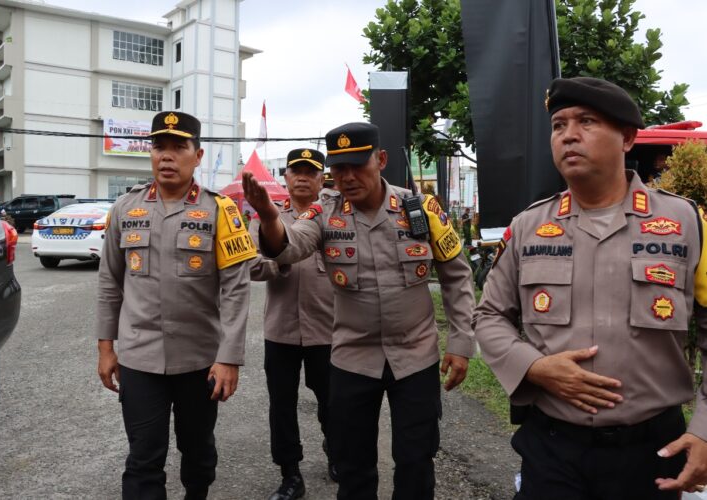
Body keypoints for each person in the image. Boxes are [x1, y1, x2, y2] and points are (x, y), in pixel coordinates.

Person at [474, 77, 707, 499]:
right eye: (559, 125)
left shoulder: (687, 223)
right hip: (552, 448)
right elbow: (489, 316)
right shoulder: (529, 226)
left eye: (587, 121)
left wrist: (706, 432)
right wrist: (533, 367)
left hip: (651, 451)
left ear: (628, 137)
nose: (569, 135)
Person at [243, 122, 475, 499]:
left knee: (416, 461)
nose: (348, 177)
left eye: (357, 166)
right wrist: (270, 217)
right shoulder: (324, 213)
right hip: (352, 359)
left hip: (415, 356)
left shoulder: (419, 209)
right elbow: (290, 247)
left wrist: (461, 342)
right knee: (353, 467)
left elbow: (457, 275)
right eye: (338, 169)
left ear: (380, 160)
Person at [96, 110, 256, 500]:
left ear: (197, 155)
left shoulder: (222, 210)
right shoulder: (124, 209)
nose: (166, 156)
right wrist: (105, 349)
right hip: (139, 359)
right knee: (143, 458)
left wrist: (229, 357)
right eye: (159, 147)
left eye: (178, 147)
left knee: (198, 453)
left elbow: (236, 288)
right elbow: (109, 282)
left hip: (199, 360)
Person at [249, 148, 336, 500]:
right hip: (281, 330)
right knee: (281, 406)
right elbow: (251, 265)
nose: (302, 177)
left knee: (333, 402)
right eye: (295, 171)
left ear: (321, 178)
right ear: (285, 177)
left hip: (328, 329)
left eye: (310, 171)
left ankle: (337, 452)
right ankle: (290, 475)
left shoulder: (335, 217)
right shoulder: (267, 217)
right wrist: (280, 261)